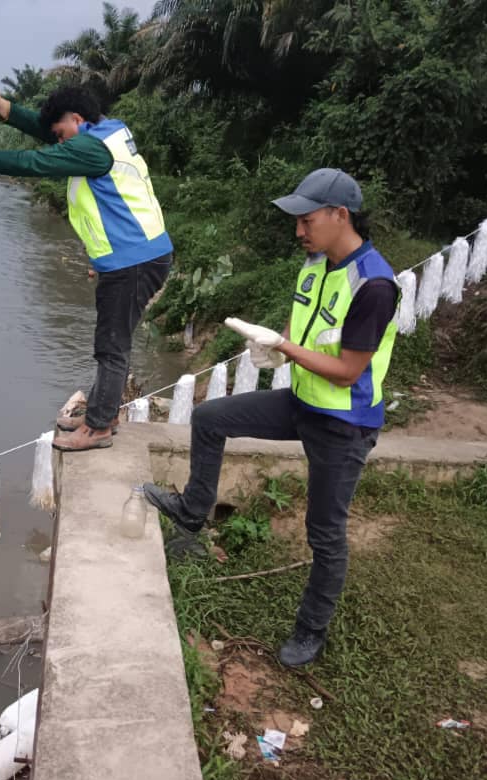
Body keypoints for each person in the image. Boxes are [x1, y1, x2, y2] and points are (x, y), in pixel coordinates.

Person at [143, 169, 399, 668]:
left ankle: (311, 630)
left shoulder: (374, 285)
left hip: (342, 424)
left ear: (339, 215)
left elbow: (348, 371)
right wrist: (276, 348)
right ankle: (193, 511)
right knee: (211, 418)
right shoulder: (315, 265)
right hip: (302, 402)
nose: (298, 231)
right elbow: (299, 324)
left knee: (324, 531)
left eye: (306, 220)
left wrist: (285, 348)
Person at [0, 82, 173, 452]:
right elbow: (50, 133)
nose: (58, 142)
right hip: (135, 255)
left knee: (111, 345)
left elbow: (38, 161)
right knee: (113, 341)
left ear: (77, 119)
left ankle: (99, 427)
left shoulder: (93, 149)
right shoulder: (107, 131)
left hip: (132, 261)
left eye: (60, 133)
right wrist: (0, 105)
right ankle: (103, 413)